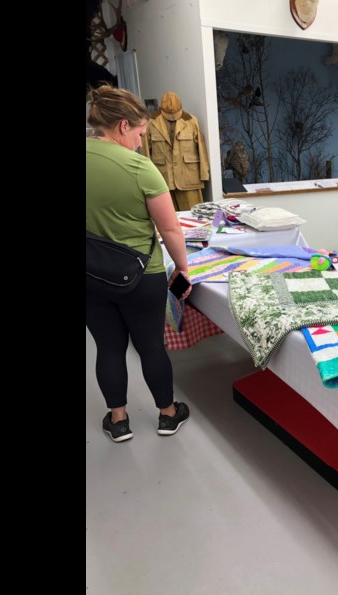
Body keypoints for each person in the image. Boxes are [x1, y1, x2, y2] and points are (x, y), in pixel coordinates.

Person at [86, 85, 192, 443]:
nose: (141, 142)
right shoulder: (138, 167)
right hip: (141, 276)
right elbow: (170, 229)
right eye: (140, 133)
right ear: (122, 126)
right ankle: (167, 414)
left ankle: (118, 421)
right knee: (150, 346)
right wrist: (183, 268)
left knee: (108, 347)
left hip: (90, 275)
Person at [143, 91, 210, 211]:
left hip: (189, 179)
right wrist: (147, 178)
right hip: (163, 179)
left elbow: (201, 146)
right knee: (167, 218)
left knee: (194, 217)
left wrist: (204, 173)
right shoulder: (151, 122)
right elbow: (146, 152)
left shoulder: (191, 121)